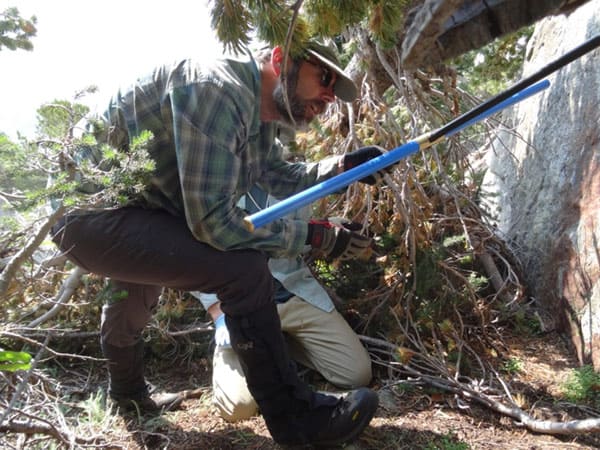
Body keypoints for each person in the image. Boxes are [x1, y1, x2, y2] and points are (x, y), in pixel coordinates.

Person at [50, 40, 389, 447]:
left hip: (141, 211)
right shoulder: (213, 88)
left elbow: (277, 175)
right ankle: (296, 418)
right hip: (84, 214)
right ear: (280, 60)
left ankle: (128, 396)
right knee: (242, 269)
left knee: (138, 285)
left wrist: (343, 167)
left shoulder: (258, 114)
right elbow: (215, 225)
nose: (330, 95)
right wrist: (317, 237)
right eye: (324, 78)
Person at [192, 185, 373, 422]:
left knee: (355, 374)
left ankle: (280, 347)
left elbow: (298, 238)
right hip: (240, 308)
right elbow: (191, 259)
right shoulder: (210, 188)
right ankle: (251, 353)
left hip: (293, 294)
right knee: (239, 408)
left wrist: (329, 233)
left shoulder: (289, 183)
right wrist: (219, 316)